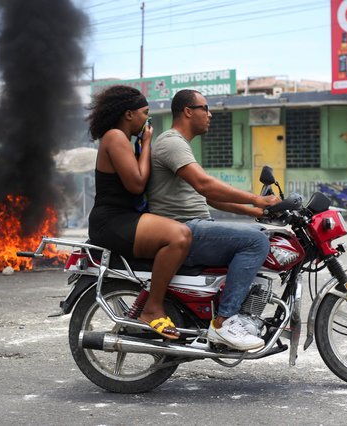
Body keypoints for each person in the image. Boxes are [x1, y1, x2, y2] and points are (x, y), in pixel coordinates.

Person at [148, 89, 280, 351]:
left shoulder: (181, 145)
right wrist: (257, 199)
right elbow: (206, 186)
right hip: (183, 229)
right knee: (255, 242)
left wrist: (258, 212)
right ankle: (224, 322)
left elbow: (210, 199)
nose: (209, 115)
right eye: (204, 108)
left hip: (194, 224)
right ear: (188, 111)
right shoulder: (172, 142)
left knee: (263, 234)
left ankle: (238, 313)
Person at [87, 85, 192, 339]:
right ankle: (152, 308)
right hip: (112, 221)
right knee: (179, 236)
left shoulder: (121, 138)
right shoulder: (115, 137)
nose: (147, 119)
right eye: (145, 113)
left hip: (124, 218)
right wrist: (146, 144)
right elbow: (136, 183)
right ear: (129, 114)